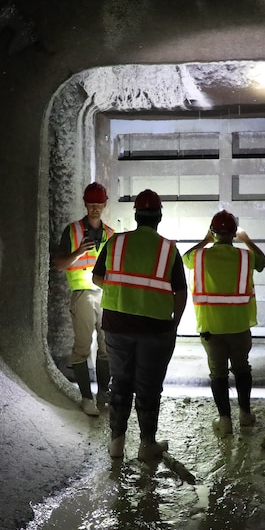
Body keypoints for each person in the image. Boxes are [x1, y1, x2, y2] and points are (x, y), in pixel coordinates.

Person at [92, 189, 187, 460]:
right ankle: (147, 445)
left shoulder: (116, 242)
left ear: (136, 215)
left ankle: (116, 445)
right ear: (159, 217)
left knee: (120, 382)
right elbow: (180, 292)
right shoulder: (169, 249)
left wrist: (121, 289)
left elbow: (97, 278)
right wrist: (175, 325)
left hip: (117, 325)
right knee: (148, 386)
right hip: (154, 329)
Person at [182, 210, 265, 435]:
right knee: (242, 369)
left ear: (213, 232)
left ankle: (225, 420)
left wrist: (204, 240)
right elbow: (264, 262)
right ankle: (246, 415)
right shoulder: (245, 256)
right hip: (240, 326)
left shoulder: (200, 256)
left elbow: (185, 258)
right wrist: (247, 240)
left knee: (218, 374)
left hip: (211, 327)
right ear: (233, 234)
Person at [52, 182, 114, 416]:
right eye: (91, 204)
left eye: (99, 204)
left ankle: (103, 395)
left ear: (105, 204)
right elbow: (59, 264)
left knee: (106, 348)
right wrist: (78, 252)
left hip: (105, 296)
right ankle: (86, 397)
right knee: (82, 347)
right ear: (85, 204)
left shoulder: (110, 234)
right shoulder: (73, 231)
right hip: (82, 294)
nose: (95, 208)